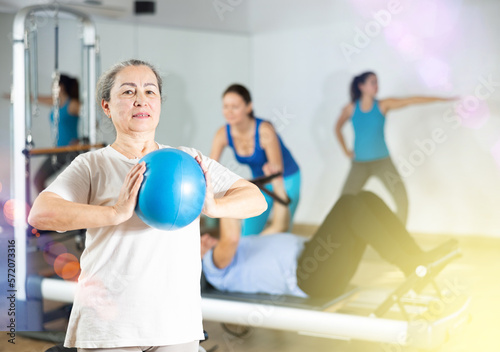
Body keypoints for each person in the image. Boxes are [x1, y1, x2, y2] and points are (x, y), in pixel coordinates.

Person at [28, 59, 267, 352]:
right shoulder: (93, 164)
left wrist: (213, 206)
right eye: (128, 92)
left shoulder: (189, 161)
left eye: (150, 91)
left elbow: (255, 200)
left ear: (159, 104)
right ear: (106, 106)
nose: (141, 99)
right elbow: (41, 213)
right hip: (109, 326)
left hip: (175, 324)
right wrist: (115, 212)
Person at [201, 177, 457, 299]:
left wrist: (277, 186)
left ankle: (416, 259)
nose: (203, 240)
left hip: (319, 261)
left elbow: (280, 223)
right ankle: (412, 267)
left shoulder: (246, 244)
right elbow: (231, 237)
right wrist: (224, 191)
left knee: (365, 198)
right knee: (348, 205)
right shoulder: (214, 267)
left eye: (202, 236)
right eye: (198, 242)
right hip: (310, 275)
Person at [335, 72, 453, 224]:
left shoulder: (383, 105)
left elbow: (412, 100)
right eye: (372, 82)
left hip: (382, 163)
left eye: (377, 82)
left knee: (402, 200)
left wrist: (444, 99)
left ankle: (398, 241)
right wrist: (345, 150)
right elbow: (337, 127)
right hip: (359, 165)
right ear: (361, 86)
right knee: (343, 204)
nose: (377, 86)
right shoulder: (350, 108)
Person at [210, 84, 300, 236]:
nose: (229, 112)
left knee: (280, 231)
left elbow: (275, 171)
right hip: (260, 183)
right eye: (225, 106)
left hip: (285, 179)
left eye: (235, 106)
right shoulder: (223, 134)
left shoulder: (265, 130)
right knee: (249, 232)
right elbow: (210, 167)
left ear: (248, 107)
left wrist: (244, 183)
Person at [34, 74, 81, 193]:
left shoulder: (73, 104)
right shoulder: (55, 103)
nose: (51, 87)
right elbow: (34, 98)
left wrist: (81, 140)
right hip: (58, 151)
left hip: (70, 150)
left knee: (78, 186)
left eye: (54, 85)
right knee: (38, 180)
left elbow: (92, 120)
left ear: (62, 87)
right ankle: (49, 207)